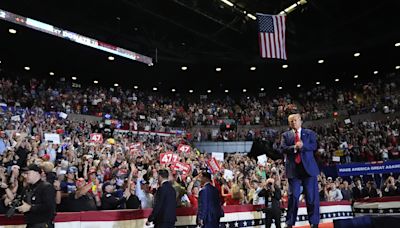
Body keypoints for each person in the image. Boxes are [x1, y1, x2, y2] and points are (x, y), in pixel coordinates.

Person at [280, 114, 319, 228]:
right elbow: (282, 148)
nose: (293, 122)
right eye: (291, 121)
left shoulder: (309, 133)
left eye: (295, 120)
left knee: (311, 197)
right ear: (289, 123)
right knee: (294, 197)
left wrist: (303, 145)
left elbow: (314, 146)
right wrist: (294, 147)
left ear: (300, 121)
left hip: (308, 170)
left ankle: (314, 222)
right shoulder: (285, 135)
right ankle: (290, 223)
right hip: (294, 170)